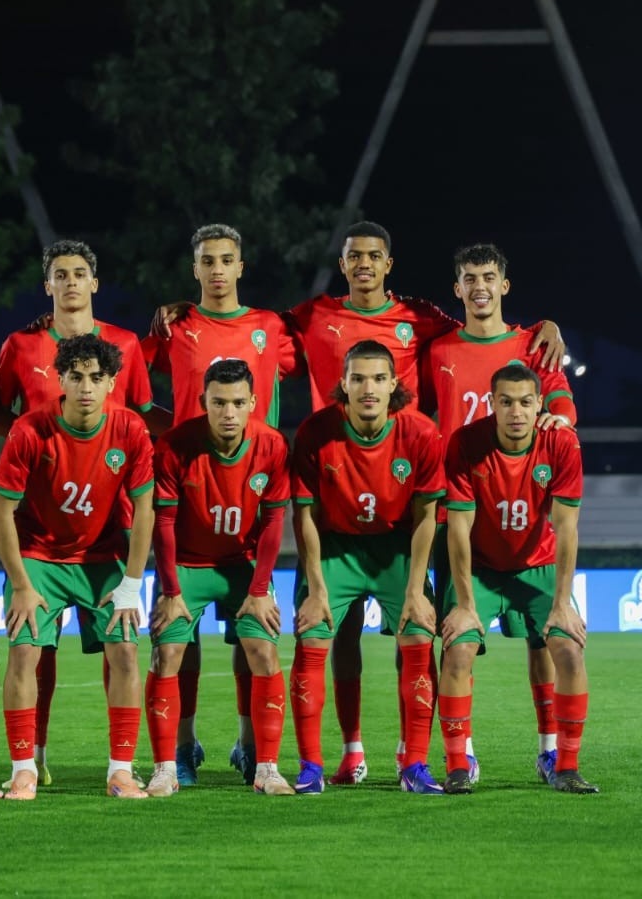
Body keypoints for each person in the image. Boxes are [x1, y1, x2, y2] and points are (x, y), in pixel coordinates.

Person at [153, 220, 563, 785]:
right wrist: (180, 317)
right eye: (354, 256)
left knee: (440, 633)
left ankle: (417, 755)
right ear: (343, 264)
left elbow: (492, 334)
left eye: (374, 255)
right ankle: (334, 753)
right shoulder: (307, 321)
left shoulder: (426, 326)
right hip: (328, 495)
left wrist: (548, 327)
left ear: (388, 264)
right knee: (309, 634)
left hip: (422, 508)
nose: (364, 264)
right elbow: (209, 351)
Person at [0, 239, 170, 788]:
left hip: (104, 547)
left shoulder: (125, 359)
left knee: (125, 650)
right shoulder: (23, 351)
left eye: (80, 273)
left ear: (95, 281)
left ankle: (120, 771)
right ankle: (24, 767)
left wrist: (134, 583)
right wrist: (33, 449)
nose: (70, 282)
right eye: (59, 274)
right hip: (39, 544)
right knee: (27, 653)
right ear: (47, 285)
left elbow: (141, 423)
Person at [139, 224, 301, 786]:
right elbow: (134, 387)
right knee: (180, 640)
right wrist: (174, 433)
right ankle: (180, 750)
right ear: (194, 269)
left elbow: (317, 362)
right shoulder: (175, 326)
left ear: (241, 265)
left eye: (226, 260)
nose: (216, 270)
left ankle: (252, 747)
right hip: (189, 490)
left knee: (250, 633)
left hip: (252, 490)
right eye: (206, 260)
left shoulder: (270, 327)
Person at [422, 243, 578, 784]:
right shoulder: (437, 350)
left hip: (525, 518)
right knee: (446, 640)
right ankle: (434, 752)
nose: (480, 286)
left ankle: (549, 748)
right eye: (470, 277)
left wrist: (559, 422)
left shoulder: (532, 344)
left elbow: (560, 402)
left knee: (542, 642)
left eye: (490, 276)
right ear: (458, 288)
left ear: (504, 285)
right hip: (456, 516)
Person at [288, 340, 446, 794]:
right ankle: (315, 766)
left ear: (394, 383)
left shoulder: (419, 432)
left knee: (418, 636)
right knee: (313, 638)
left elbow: (425, 518)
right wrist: (316, 590)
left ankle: (414, 764)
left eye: (378, 378)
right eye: (358, 378)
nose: (368, 388)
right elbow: (305, 517)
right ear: (344, 384)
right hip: (335, 549)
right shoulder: (317, 431)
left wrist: (416, 591)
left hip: (395, 548)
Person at [438, 363, 597, 795]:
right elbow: (457, 528)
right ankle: (459, 763)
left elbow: (567, 528)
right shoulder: (467, 444)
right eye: (505, 402)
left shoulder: (561, 443)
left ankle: (562, 763)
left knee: (567, 648)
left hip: (539, 564)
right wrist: (466, 605)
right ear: (492, 404)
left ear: (539, 404)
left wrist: (563, 602)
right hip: (481, 569)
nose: (516, 411)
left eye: (526, 402)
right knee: (458, 648)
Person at [144, 359, 294, 797]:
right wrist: (170, 591)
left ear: (252, 403)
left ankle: (266, 766)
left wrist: (260, 589)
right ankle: (165, 767)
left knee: (263, 650)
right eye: (218, 403)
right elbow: (164, 524)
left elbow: (272, 525)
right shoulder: (173, 446)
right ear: (203, 403)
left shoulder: (272, 446)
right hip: (187, 566)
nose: (228, 413)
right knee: (168, 651)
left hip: (242, 565)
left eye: (236, 403)